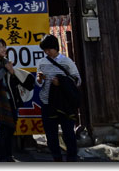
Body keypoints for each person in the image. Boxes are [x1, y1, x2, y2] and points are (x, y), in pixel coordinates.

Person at [36, 34, 81, 162]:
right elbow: (38, 83)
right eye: (45, 50)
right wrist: (40, 79)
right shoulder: (42, 62)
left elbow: (77, 80)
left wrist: (61, 82)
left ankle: (72, 158)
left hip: (64, 103)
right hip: (47, 101)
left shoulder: (67, 61)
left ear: (55, 47)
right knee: (51, 135)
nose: (47, 52)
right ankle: (57, 159)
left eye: (49, 49)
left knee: (68, 133)